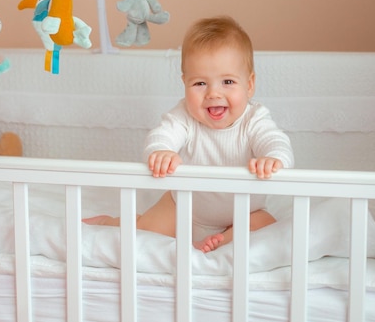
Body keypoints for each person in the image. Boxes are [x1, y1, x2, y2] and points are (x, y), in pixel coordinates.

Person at [83, 16, 294, 252]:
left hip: (243, 211)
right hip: (184, 205)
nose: (214, 93)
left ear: (250, 84)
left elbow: (275, 141)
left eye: (227, 81)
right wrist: (161, 151)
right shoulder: (185, 116)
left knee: (267, 226)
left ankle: (225, 239)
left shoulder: (254, 120)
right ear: (185, 83)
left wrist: (273, 159)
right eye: (200, 84)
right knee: (144, 232)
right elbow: (162, 135)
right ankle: (111, 222)